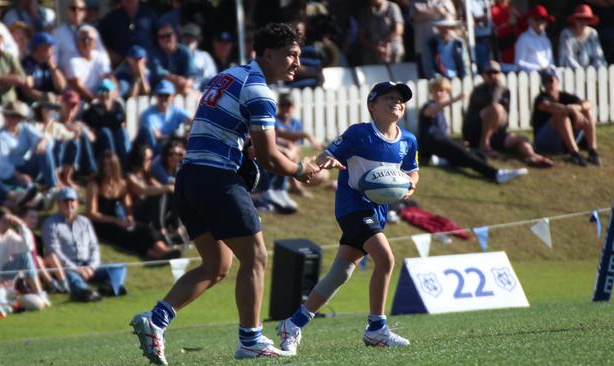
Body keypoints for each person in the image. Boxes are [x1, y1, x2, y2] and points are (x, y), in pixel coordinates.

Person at [130, 23, 322, 364]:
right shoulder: (260, 91)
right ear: (267, 54)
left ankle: (155, 321)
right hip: (216, 178)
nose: (297, 63)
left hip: (188, 178)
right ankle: (250, 340)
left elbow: (226, 130)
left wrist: (246, 149)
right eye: (291, 55)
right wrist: (300, 169)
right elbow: (269, 157)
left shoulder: (229, 75)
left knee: (217, 265)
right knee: (256, 257)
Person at [277, 81, 416, 354]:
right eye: (389, 98)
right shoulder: (358, 134)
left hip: (376, 211)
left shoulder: (408, 140)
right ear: (372, 106)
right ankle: (376, 328)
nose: (396, 102)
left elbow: (413, 170)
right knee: (386, 259)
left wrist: (411, 185)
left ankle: (292, 324)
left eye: (400, 99)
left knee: (341, 273)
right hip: (352, 207)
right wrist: (323, 161)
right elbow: (326, 153)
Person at [419, 77, 528, 183]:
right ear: (431, 93)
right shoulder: (429, 105)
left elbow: (443, 135)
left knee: (478, 155)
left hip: (438, 143)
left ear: (447, 92)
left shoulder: (441, 111)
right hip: (430, 142)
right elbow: (429, 112)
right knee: (464, 154)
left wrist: (455, 143)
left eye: (441, 91)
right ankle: (496, 174)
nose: (438, 94)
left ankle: (441, 160)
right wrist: (453, 100)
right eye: (435, 91)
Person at [86, 151, 179, 261]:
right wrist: (115, 220)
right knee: (128, 236)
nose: (107, 168)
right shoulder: (94, 184)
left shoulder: (121, 183)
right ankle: (157, 256)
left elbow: (128, 206)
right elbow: (91, 213)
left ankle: (165, 251)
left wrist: (130, 217)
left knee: (145, 229)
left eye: (110, 165)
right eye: (104, 165)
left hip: (119, 220)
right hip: (103, 223)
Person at [42, 187, 127, 303]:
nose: (69, 204)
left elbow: (94, 247)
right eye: (65, 201)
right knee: (71, 275)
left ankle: (109, 288)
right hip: (67, 266)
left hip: (87, 264)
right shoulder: (50, 224)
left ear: (77, 203)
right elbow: (54, 251)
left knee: (118, 267)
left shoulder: (85, 222)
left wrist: (91, 267)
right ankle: (83, 292)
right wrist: (77, 269)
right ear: (59, 204)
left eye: (72, 201)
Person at [463, 61, 554, 168]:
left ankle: (532, 156)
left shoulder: (504, 90)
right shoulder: (478, 90)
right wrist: (497, 87)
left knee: (521, 139)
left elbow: (503, 118)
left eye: (495, 73)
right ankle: (483, 146)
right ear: (484, 75)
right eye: (489, 73)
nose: (492, 76)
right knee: (496, 109)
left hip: (496, 133)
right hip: (476, 134)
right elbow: (493, 103)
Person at [531, 67, 601, 167]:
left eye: (550, 80)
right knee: (560, 115)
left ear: (557, 81)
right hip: (544, 142)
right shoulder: (540, 99)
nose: (548, 84)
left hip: (563, 140)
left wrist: (579, 108)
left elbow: (588, 103)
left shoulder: (565, 96)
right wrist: (574, 111)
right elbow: (554, 108)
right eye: (545, 82)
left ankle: (592, 151)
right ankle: (574, 154)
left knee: (587, 112)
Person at [81, 78, 131, 164]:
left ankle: (127, 165)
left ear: (112, 93)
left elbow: (122, 124)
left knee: (123, 132)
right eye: (100, 91)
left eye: (106, 91)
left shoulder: (117, 106)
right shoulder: (93, 109)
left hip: (116, 139)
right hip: (101, 142)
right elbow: (92, 131)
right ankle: (112, 164)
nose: (103, 94)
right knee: (106, 132)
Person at [135, 80, 190, 152]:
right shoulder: (147, 114)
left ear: (173, 96)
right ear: (156, 96)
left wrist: (188, 130)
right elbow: (157, 136)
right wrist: (177, 138)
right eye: (160, 95)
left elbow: (193, 121)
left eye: (166, 95)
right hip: (155, 149)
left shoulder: (176, 111)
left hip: (171, 147)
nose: (163, 99)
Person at [64, 25, 111, 102]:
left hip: (101, 96)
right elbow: (77, 85)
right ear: (77, 41)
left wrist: (107, 95)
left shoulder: (101, 57)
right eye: (83, 39)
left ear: (95, 42)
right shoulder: (71, 60)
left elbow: (107, 77)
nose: (86, 42)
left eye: (89, 39)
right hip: (81, 100)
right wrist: (94, 100)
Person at [20, 32, 66, 103]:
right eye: (47, 47)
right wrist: (49, 97)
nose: (51, 50)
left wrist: (53, 68)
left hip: (51, 102)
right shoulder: (27, 64)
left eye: (51, 47)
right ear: (37, 48)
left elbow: (61, 87)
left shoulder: (50, 64)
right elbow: (27, 91)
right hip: (33, 103)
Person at [558, 4, 606, 70]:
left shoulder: (592, 33)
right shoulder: (566, 34)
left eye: (586, 19)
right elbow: (567, 58)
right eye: (580, 19)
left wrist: (594, 70)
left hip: (591, 74)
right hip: (570, 74)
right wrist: (580, 71)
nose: (583, 22)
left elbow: (599, 56)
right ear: (575, 20)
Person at [357, 0, 405, 64]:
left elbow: (398, 30)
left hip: (392, 49)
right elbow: (362, 36)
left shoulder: (392, 7)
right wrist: (375, 47)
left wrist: (384, 44)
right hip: (373, 51)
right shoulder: (366, 12)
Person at [514, 5, 554, 73]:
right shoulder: (523, 39)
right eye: (537, 19)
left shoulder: (547, 40)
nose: (540, 22)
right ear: (530, 21)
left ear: (546, 23)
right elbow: (518, 63)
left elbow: (551, 62)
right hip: (530, 78)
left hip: (547, 77)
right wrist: (538, 68)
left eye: (543, 19)